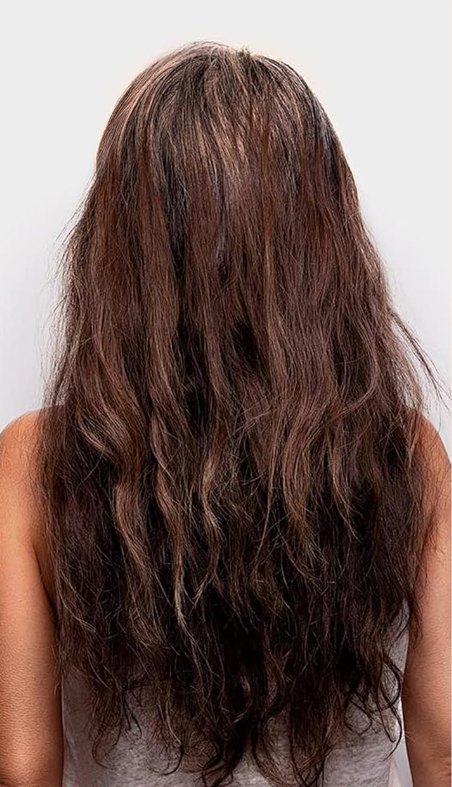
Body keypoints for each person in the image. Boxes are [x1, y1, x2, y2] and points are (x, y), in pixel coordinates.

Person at [0, 41, 450, 787]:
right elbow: (444, 751)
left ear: (121, 248)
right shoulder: (406, 452)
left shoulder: (34, 463)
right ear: (321, 246)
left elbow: (22, 767)